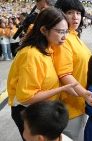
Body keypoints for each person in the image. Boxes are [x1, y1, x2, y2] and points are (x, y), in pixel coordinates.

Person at [7, 7, 77, 141]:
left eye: (66, 31)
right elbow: (26, 98)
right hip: (28, 112)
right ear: (44, 30)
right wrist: (62, 88)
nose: (65, 36)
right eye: (60, 31)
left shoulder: (48, 48)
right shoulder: (31, 55)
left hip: (39, 108)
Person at [53, 0, 92, 140]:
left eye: (78, 13)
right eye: (69, 12)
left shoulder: (73, 35)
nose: (75, 17)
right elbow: (64, 74)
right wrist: (84, 94)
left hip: (80, 101)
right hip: (70, 106)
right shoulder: (64, 39)